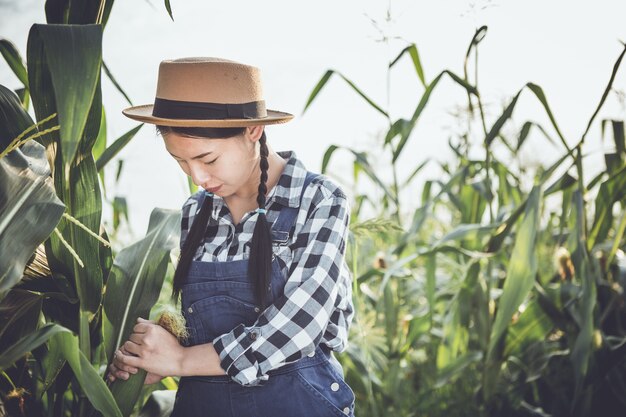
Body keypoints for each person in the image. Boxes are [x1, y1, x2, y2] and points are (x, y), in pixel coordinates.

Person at [107, 57, 356, 417]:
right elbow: (204, 323)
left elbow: (301, 325)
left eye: (207, 159)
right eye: (180, 162)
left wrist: (181, 359)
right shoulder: (195, 212)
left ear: (252, 131)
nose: (197, 178)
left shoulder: (318, 200)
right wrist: (152, 355)